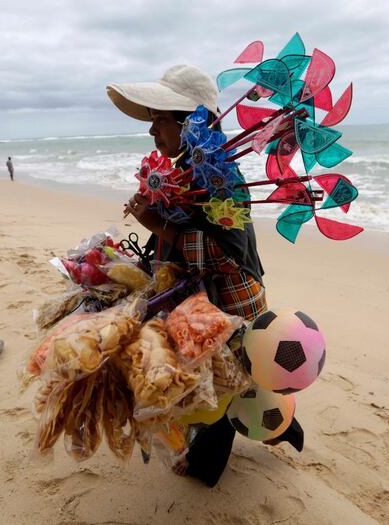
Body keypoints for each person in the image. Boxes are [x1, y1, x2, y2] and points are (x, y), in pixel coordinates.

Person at [107, 64, 303, 487]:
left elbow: (227, 255)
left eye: (159, 119)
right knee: (235, 380)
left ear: (189, 121)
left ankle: (208, 468)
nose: (152, 132)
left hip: (230, 301)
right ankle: (283, 427)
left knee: (223, 384)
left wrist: (160, 226)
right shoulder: (188, 169)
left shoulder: (220, 175)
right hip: (201, 298)